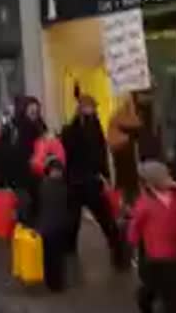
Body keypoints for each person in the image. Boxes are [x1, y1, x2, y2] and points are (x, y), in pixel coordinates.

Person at [61, 95, 123, 266]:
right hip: (75, 181)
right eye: (90, 107)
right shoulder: (71, 129)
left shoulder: (95, 126)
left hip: (90, 181)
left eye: (93, 107)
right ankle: (69, 251)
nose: (93, 110)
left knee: (105, 217)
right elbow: (69, 152)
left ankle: (117, 249)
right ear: (81, 108)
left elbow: (101, 153)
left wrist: (106, 176)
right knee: (73, 221)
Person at [129, 161, 176, 313]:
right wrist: (134, 246)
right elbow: (135, 227)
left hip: (175, 256)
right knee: (152, 286)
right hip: (155, 257)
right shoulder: (145, 204)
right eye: (163, 178)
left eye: (168, 176)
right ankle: (144, 298)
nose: (168, 180)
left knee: (174, 296)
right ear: (152, 184)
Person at [0, 96, 47, 225]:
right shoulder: (14, 127)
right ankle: (23, 236)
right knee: (25, 209)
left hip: (38, 176)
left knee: (36, 208)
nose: (34, 114)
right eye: (31, 111)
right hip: (19, 177)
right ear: (24, 110)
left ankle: (30, 238)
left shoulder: (41, 127)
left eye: (36, 111)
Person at [37, 155, 69, 292]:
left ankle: (54, 282)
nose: (58, 173)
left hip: (52, 227)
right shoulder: (60, 187)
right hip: (52, 227)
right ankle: (55, 282)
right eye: (56, 170)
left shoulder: (44, 186)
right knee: (54, 257)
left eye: (59, 170)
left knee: (53, 257)